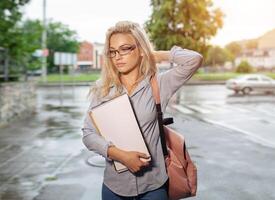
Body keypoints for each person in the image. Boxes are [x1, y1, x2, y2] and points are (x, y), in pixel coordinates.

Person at [81, 21, 203, 200]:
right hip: (114, 188)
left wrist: (152, 55)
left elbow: (194, 59)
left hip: (154, 187)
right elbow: (88, 134)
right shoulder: (103, 90)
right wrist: (120, 155)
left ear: (140, 48)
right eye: (113, 51)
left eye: (125, 49)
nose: (118, 57)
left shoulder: (159, 84)